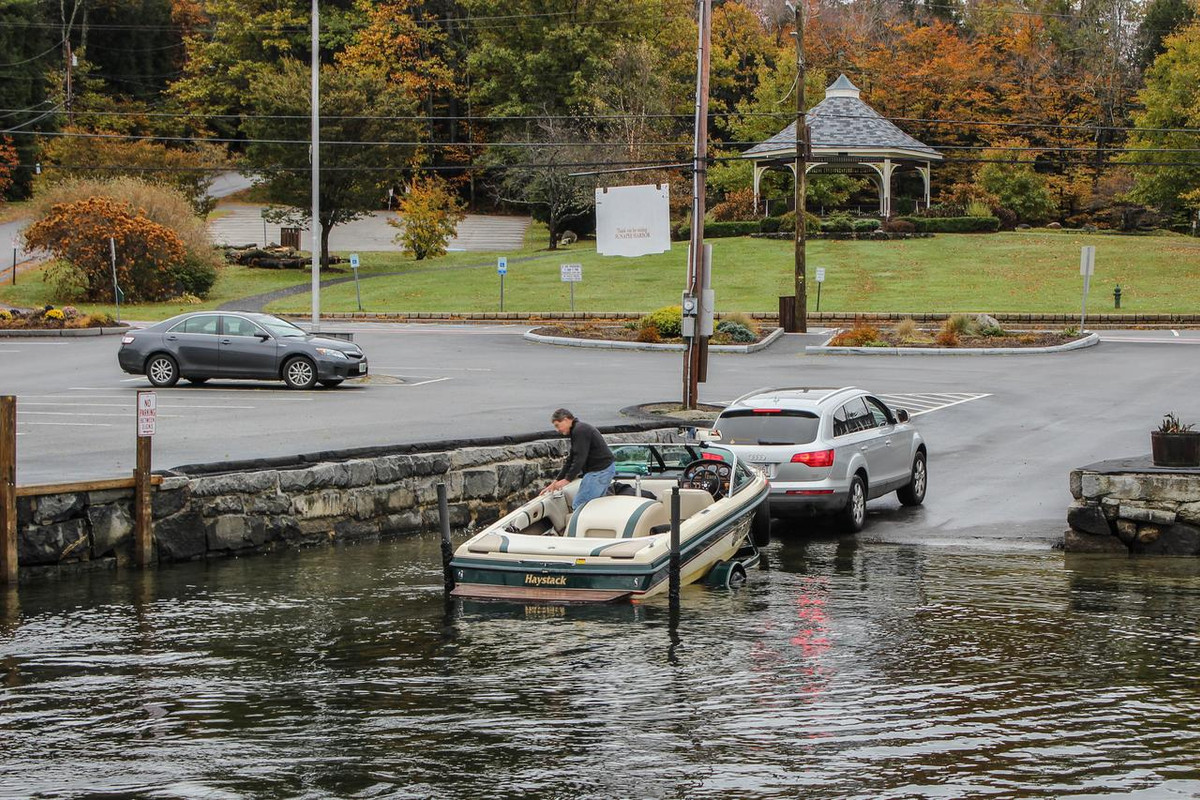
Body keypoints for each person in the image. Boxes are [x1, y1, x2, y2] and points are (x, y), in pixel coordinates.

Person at [540, 408, 615, 516]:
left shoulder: (580, 430)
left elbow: (580, 458)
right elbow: (571, 459)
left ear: (565, 420)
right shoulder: (578, 430)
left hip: (600, 471)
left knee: (580, 505)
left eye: (557, 425)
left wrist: (567, 480)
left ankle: (580, 527)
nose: (557, 430)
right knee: (594, 506)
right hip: (603, 469)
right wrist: (556, 481)